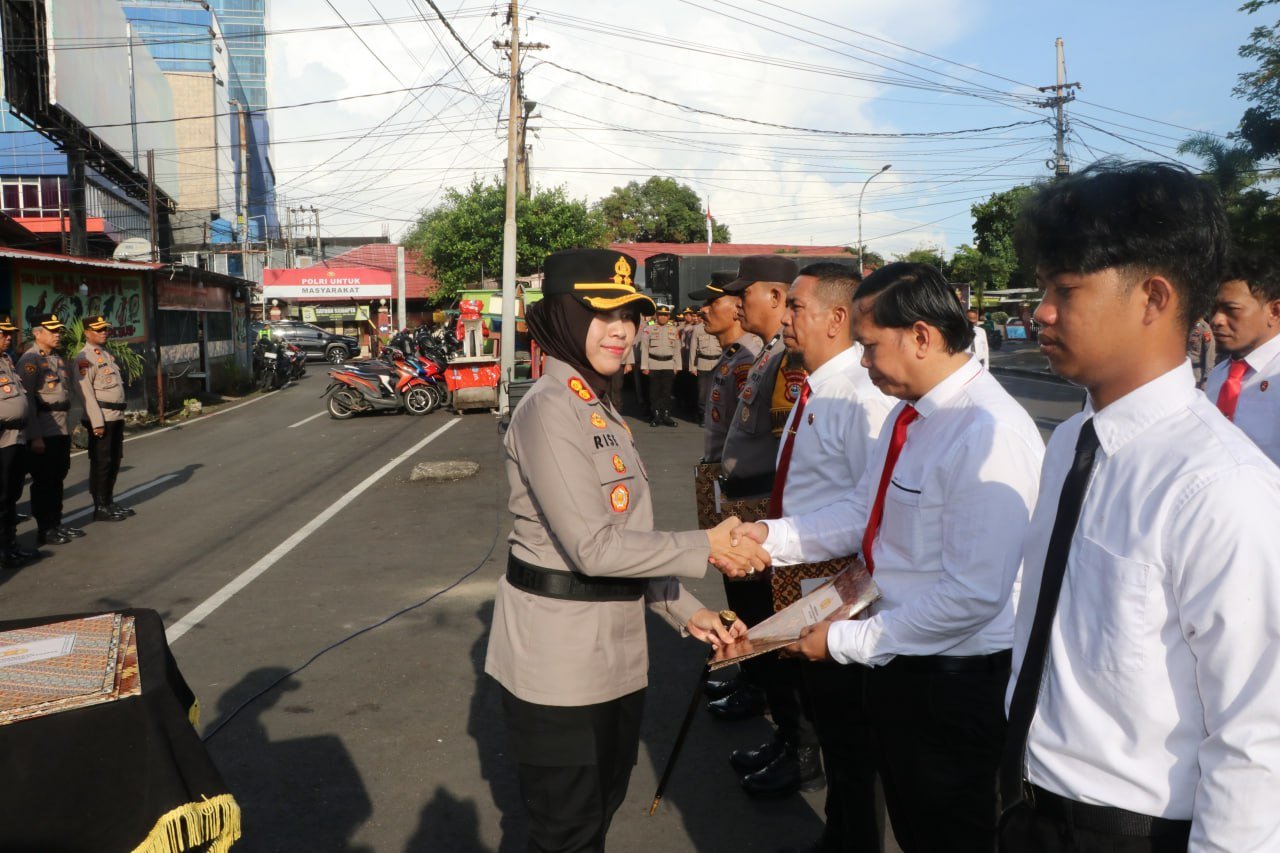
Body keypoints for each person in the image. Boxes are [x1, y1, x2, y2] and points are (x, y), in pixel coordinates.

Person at [999, 161, 1280, 853]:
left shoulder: (1220, 485)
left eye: (1066, 289)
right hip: (1025, 800)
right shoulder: (1072, 443)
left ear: (1153, 297)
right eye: (1043, 288)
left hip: (1129, 831)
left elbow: (1258, 732)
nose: (1041, 311)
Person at [734, 262, 1045, 851]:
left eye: (871, 345)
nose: (863, 360)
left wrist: (844, 640)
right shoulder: (914, 414)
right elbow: (862, 512)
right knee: (909, 818)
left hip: (952, 679)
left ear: (921, 336)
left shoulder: (987, 432)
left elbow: (972, 595)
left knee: (949, 834)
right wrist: (766, 539)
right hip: (902, 657)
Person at [483, 249, 765, 852]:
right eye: (602, 314)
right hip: (559, 665)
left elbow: (630, 542)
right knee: (566, 832)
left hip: (615, 655)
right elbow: (593, 549)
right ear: (563, 316)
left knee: (599, 814)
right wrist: (707, 544)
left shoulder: (596, 402)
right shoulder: (550, 409)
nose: (622, 330)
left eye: (630, 316)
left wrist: (690, 612)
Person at [771, 262, 895, 852]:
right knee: (827, 721)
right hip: (805, 580)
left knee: (850, 737)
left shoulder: (861, 396)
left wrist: (768, 541)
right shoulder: (818, 385)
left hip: (843, 593)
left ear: (835, 317)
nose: (785, 317)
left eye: (796, 306)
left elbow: (869, 511)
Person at [715, 254, 822, 799]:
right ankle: (786, 737)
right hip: (757, 515)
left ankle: (801, 749)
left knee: (780, 639)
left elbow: (789, 455)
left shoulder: (787, 361)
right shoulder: (766, 356)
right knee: (763, 632)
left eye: (745, 293)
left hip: (773, 519)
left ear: (777, 298)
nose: (736, 304)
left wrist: (765, 528)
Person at [1204, 250, 1280, 464]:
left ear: (1275, 311)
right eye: (1214, 309)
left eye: (1231, 309)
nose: (1216, 320)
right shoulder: (1218, 375)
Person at [19, 313, 82, 546]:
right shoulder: (30, 360)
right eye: (52, 331)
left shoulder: (56, 358)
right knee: (44, 481)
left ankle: (56, 523)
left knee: (58, 477)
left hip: (60, 428)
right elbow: (28, 401)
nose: (57, 335)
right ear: (38, 334)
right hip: (44, 430)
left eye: (58, 331)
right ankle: (45, 529)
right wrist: (35, 436)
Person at [693, 272, 759, 462]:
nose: (703, 310)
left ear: (738, 308)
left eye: (712, 302)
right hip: (717, 466)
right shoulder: (730, 356)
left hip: (733, 470)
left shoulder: (746, 362)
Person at [76, 315, 131, 522]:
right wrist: (96, 422)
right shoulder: (84, 358)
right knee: (102, 463)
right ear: (87, 333)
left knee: (114, 460)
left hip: (115, 416)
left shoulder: (105, 354)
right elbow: (85, 392)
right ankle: (100, 506)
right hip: (102, 418)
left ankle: (108, 501)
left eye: (105, 329)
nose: (104, 332)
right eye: (98, 330)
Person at [0, 316, 38, 570]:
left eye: (9, 334)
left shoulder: (7, 360)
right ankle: (3, 550)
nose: (8, 338)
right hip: (2, 439)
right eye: (3, 334)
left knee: (12, 495)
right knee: (2, 497)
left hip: (16, 437)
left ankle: (11, 544)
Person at [639, 303, 682, 427]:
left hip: (669, 364)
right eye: (660, 315)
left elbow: (677, 349)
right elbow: (644, 348)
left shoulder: (674, 330)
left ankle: (666, 415)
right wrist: (644, 366)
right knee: (654, 392)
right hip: (653, 364)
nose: (663, 317)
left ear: (668, 317)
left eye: (665, 315)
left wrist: (677, 366)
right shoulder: (649, 329)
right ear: (656, 316)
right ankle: (656, 415)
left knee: (667, 392)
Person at [689, 293, 725, 422]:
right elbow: (693, 348)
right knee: (702, 393)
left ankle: (714, 415)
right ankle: (703, 415)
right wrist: (692, 366)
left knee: (717, 391)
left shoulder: (720, 326)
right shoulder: (698, 329)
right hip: (703, 363)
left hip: (717, 362)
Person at [1187, 316, 1215, 389]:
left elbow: (1210, 352)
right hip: (1184, 373)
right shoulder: (1187, 325)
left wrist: (1207, 377)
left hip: (1197, 376)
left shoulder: (1204, 328)